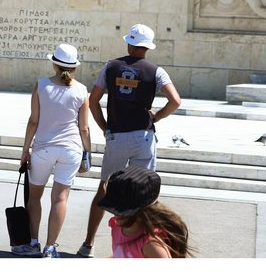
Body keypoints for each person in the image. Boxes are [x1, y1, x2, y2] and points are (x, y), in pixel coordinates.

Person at [77, 23, 181, 258]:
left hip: (118, 135)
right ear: (148, 47)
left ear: (129, 43)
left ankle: (88, 243)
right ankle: (145, 243)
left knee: (104, 187)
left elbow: (93, 100)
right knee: (145, 192)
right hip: (143, 136)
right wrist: (157, 116)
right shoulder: (156, 71)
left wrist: (105, 126)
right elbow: (175, 100)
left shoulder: (111, 66)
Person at [14, 44, 91, 258]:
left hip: (43, 148)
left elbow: (33, 121)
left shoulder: (41, 85)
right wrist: (87, 154)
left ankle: (33, 243)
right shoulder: (82, 90)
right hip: (71, 149)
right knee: (60, 199)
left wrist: (25, 150)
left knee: (34, 198)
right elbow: (84, 128)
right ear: (74, 66)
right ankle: (50, 248)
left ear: (54, 64)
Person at [99, 166, 192, 258]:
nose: (116, 215)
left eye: (121, 211)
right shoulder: (117, 226)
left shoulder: (152, 245)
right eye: (114, 208)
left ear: (144, 210)